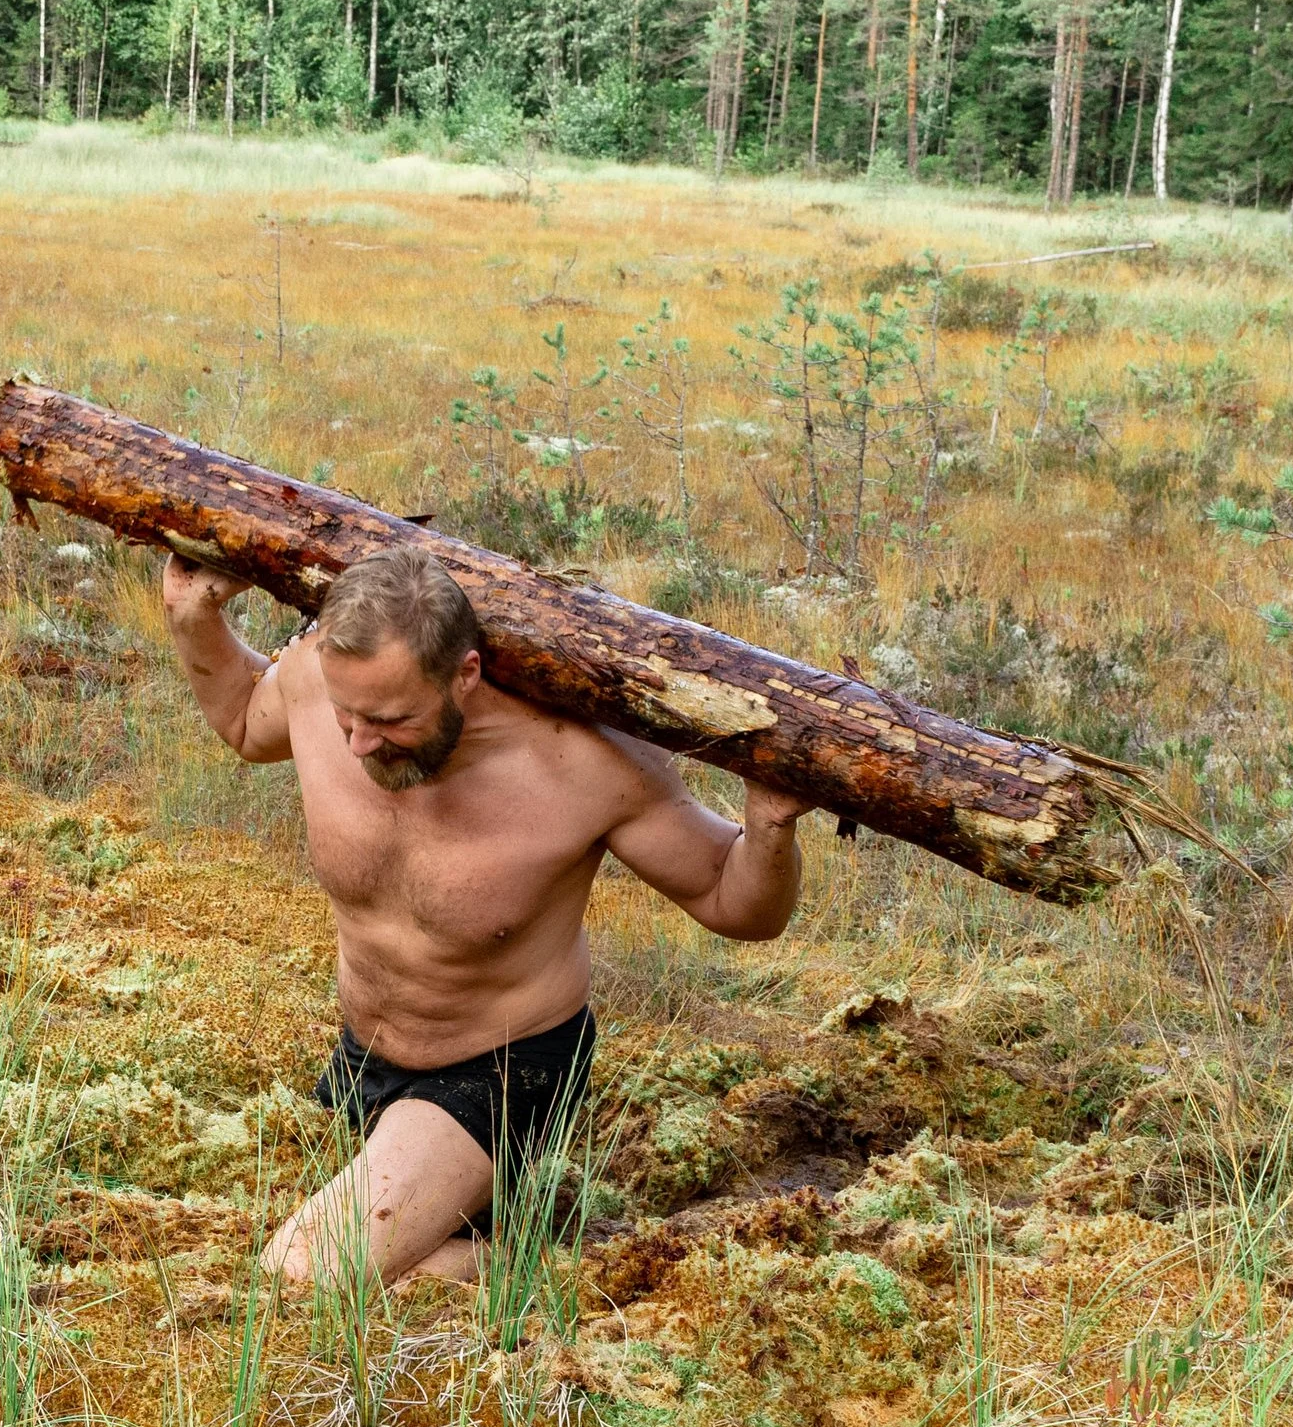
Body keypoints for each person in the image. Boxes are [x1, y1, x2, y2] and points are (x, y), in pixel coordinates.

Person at [160, 543, 808, 1290]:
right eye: (346, 714)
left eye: (391, 717)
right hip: (361, 1061)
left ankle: (538, 1266)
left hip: (501, 1074)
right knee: (259, 1243)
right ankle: (466, 1248)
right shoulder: (315, 679)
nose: (358, 742)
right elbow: (245, 719)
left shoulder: (584, 763)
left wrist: (770, 826)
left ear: (463, 675)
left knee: (301, 1277)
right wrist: (191, 616)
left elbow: (737, 904)